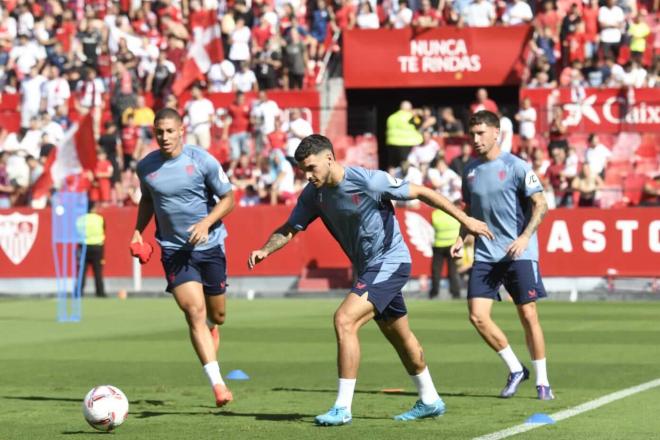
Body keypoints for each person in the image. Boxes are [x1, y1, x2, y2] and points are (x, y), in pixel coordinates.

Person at [248, 134, 493, 426]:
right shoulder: (314, 194)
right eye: (303, 170)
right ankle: (430, 399)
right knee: (400, 337)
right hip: (370, 270)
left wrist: (465, 221)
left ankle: (342, 407)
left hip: (391, 261)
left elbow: (422, 192)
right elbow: (290, 227)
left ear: (329, 158)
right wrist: (265, 248)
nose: (308, 175)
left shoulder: (368, 181)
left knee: (344, 320)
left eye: (312, 167)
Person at [132, 108, 235, 407]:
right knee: (193, 312)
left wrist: (205, 223)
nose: (164, 137)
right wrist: (138, 231)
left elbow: (229, 199)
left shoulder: (201, 160)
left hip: (210, 246)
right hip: (174, 250)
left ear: (181, 131)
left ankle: (212, 330)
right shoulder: (146, 167)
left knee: (217, 316)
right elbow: (148, 199)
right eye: (158, 132)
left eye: (169, 131)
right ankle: (218, 385)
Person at [450, 110, 554, 401]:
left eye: (481, 133)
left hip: (518, 252)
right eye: (472, 134)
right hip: (485, 253)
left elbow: (541, 204)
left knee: (528, 314)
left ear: (497, 133)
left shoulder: (517, 166)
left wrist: (524, 237)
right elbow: (469, 211)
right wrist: (461, 237)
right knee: (477, 316)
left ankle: (543, 382)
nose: (476, 139)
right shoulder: (469, 171)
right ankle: (515, 368)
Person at [430, 200, 462, 299]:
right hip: (452, 245)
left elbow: (433, 226)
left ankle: (434, 292)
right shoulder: (455, 213)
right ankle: (455, 293)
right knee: (453, 270)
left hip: (438, 245)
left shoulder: (435, 214)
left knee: (436, 271)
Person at [76, 202, 107, 298]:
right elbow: (103, 229)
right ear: (93, 208)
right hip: (97, 247)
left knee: (81, 272)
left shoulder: (80, 220)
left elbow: (76, 232)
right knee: (98, 272)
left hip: (83, 247)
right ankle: (100, 293)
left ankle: (78, 293)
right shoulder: (99, 219)